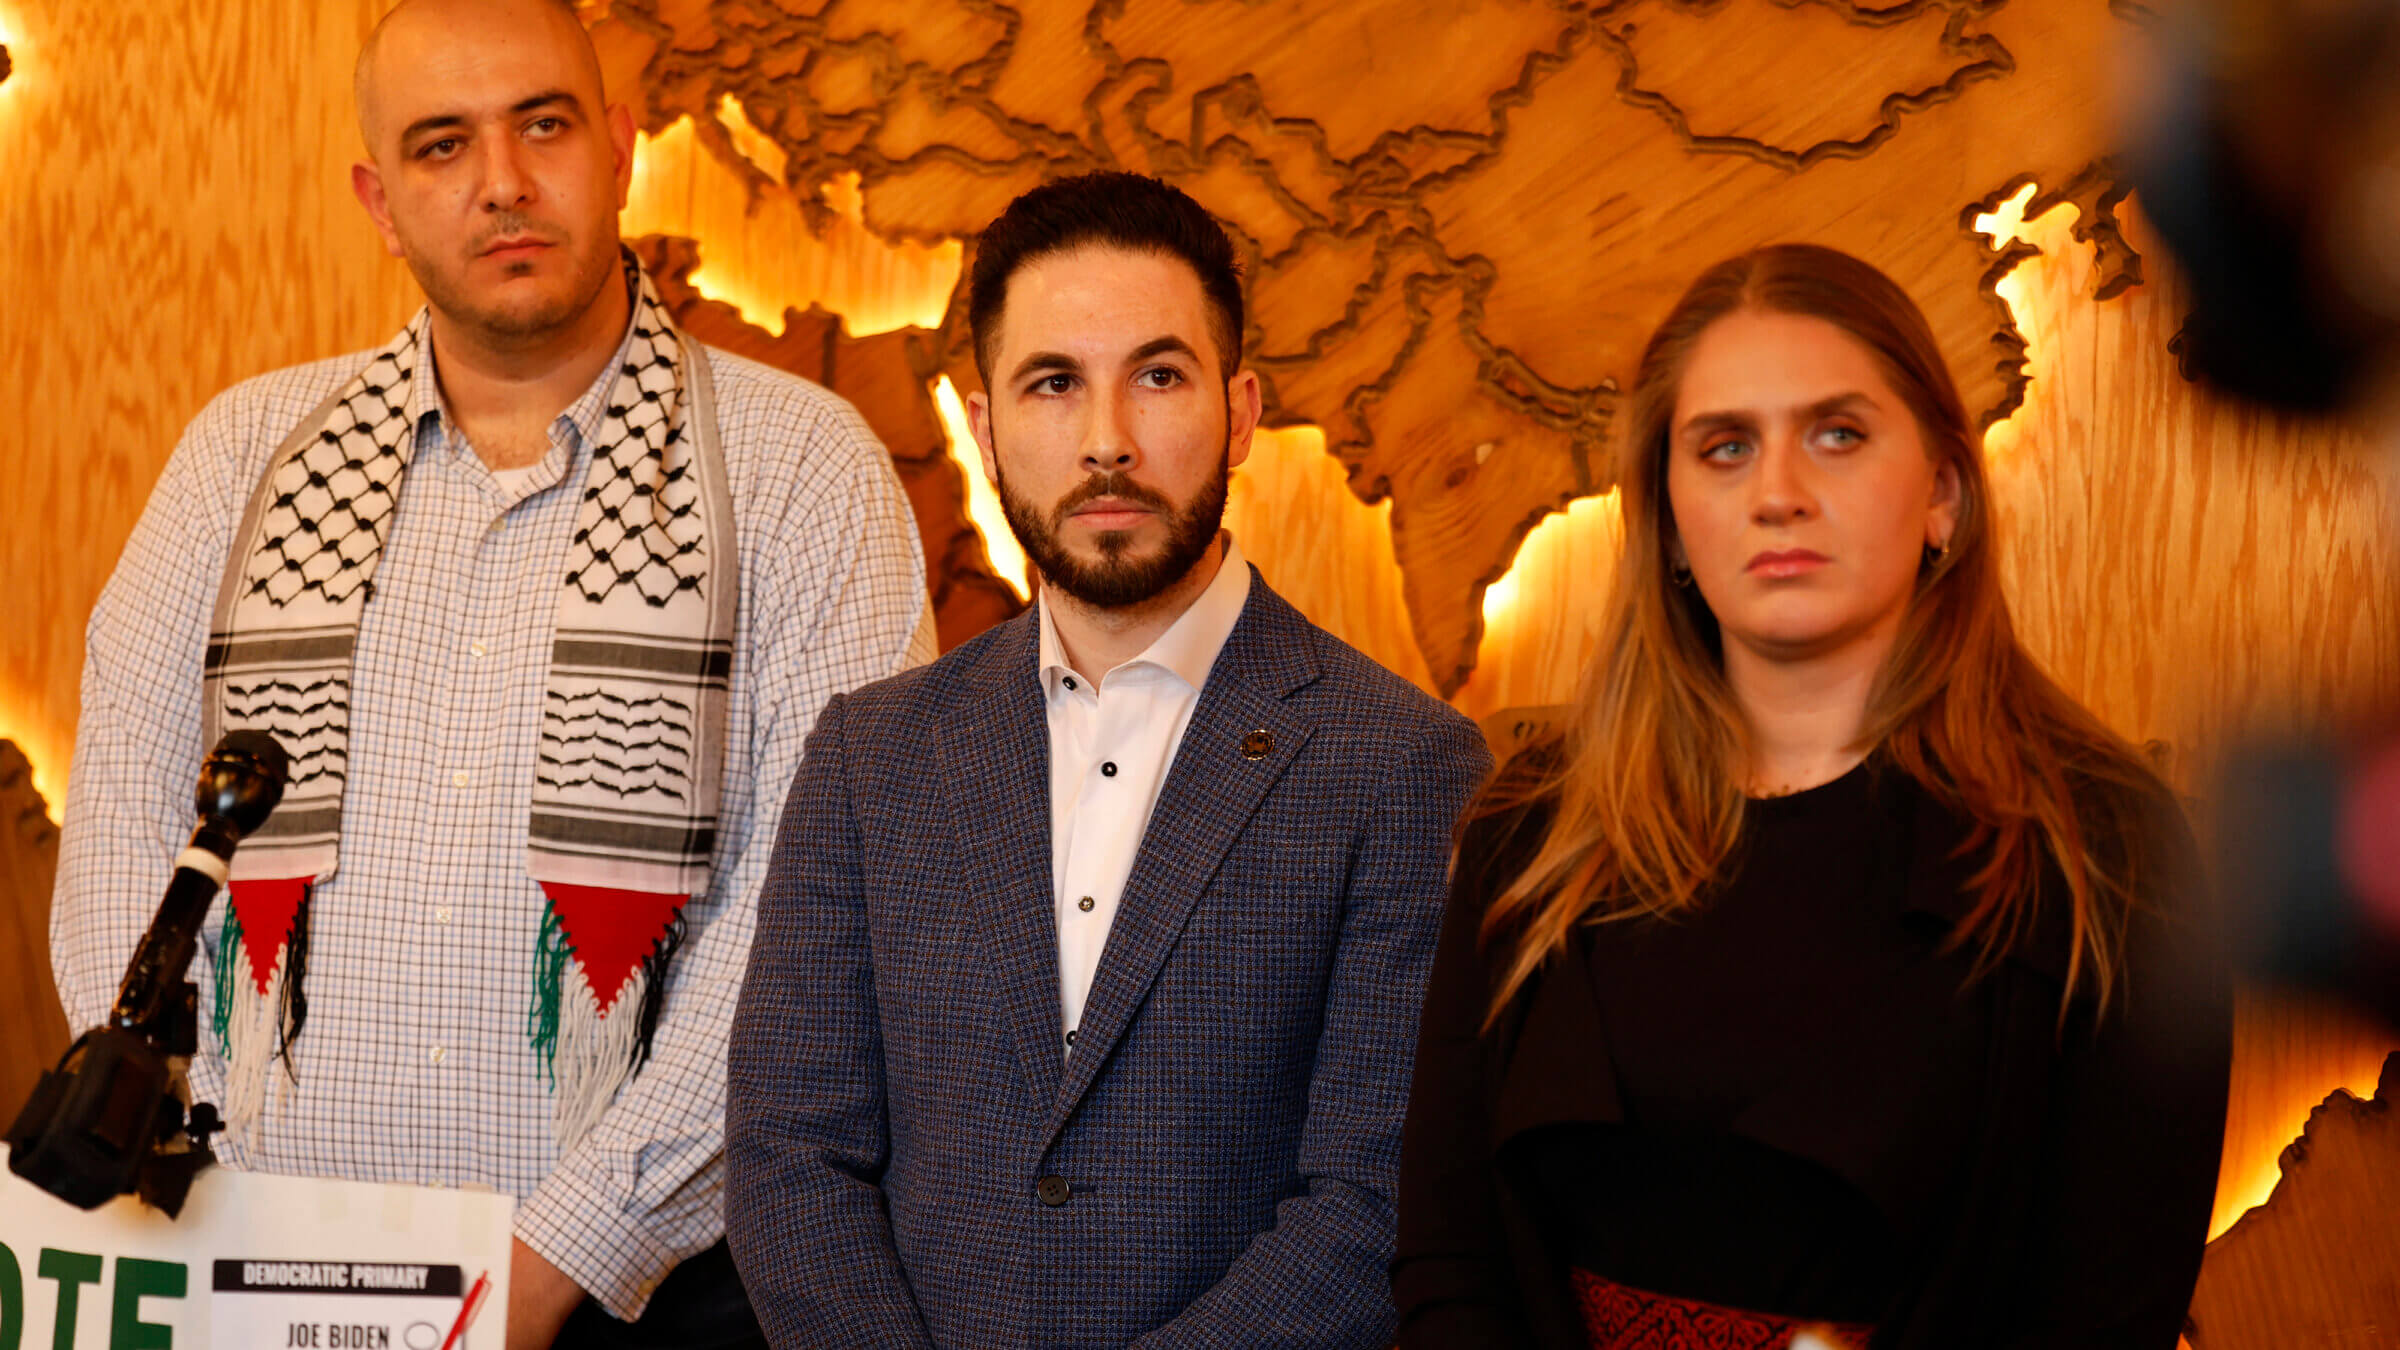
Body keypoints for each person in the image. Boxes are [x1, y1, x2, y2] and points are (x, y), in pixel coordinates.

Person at [47, 1, 931, 1346]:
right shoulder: (241, 460)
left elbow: (815, 913)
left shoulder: (806, 469)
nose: (503, 183)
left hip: (658, 1297)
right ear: (382, 201)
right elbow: (124, 837)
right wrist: (224, 1199)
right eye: (442, 144)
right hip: (262, 1274)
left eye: (545, 124)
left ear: (620, 148)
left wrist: (566, 1245)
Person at [1391, 244, 2233, 1350]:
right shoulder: (1536, 825)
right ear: (1670, 518)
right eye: (1726, 448)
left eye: (1837, 435)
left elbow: (2104, 1311)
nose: (1778, 494)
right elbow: (1450, 1256)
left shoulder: (2110, 847)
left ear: (1941, 492)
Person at [724, 171, 1492, 1348]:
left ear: (1239, 413)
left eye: (1158, 375)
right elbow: (791, 1157)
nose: (1107, 441)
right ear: (982, 429)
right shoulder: (867, 758)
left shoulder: (1403, 765)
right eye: (1053, 383)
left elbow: (1369, 1203)